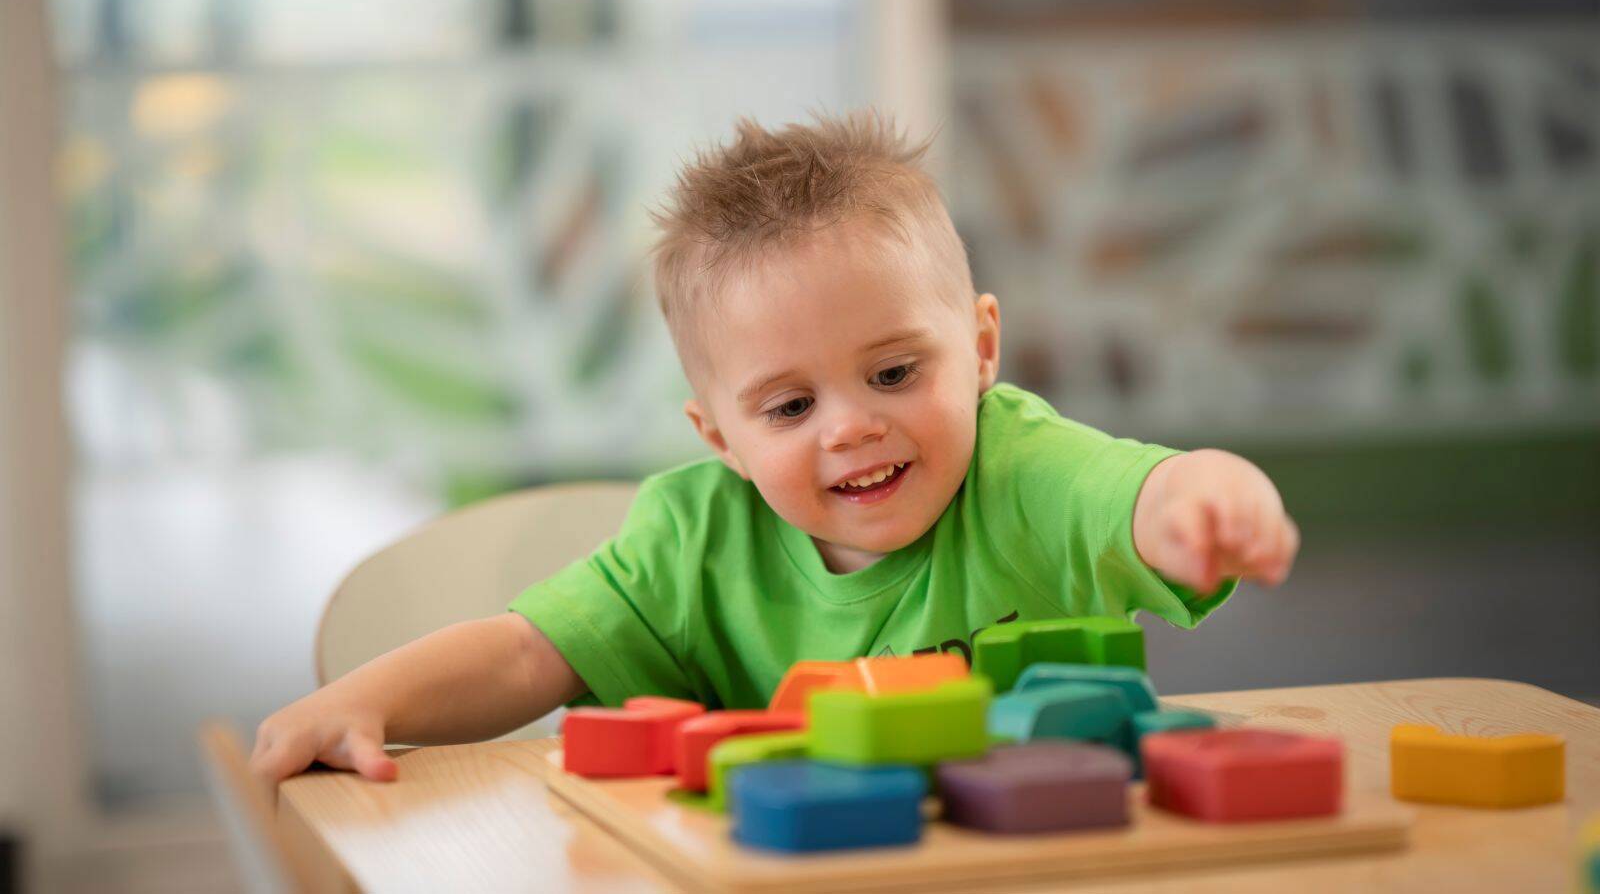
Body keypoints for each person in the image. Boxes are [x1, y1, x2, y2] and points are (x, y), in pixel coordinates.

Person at [251, 112, 1298, 784]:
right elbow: (529, 650)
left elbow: (1144, 490)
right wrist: (362, 700)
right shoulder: (695, 538)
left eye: (894, 373)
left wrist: (1213, 497)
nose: (849, 425)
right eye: (788, 407)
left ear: (980, 346)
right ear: (721, 437)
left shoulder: (1021, 467)